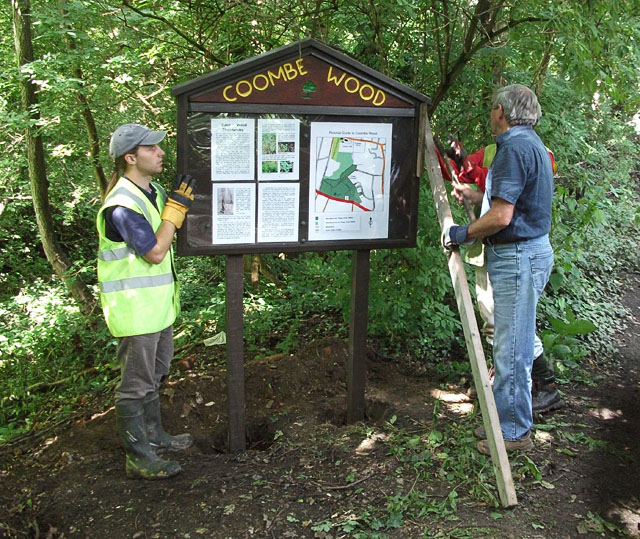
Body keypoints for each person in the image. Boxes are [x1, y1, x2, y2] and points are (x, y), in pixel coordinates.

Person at [442, 84, 555, 454]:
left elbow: (503, 217)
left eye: (493, 108)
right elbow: (513, 203)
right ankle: (505, 424)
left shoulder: (512, 148)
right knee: (512, 344)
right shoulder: (532, 144)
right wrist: (477, 197)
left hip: (519, 256)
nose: (490, 114)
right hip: (529, 252)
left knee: (511, 350)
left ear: (503, 112)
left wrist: (463, 233)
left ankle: (512, 432)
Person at [97, 123, 197, 479]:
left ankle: (154, 436)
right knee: (135, 384)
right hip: (135, 312)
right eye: (152, 148)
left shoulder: (149, 193)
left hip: (155, 309)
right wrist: (175, 212)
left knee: (154, 375)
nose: (161, 153)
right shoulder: (122, 205)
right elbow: (155, 252)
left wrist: (171, 208)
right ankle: (138, 455)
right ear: (130, 157)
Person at [437, 141, 563, 414]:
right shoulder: (495, 150)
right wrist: (468, 180)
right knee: (494, 322)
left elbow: (513, 198)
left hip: (515, 250)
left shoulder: (540, 153)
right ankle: (503, 378)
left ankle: (544, 384)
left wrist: (472, 174)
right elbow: (473, 177)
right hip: (491, 248)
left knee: (512, 325)